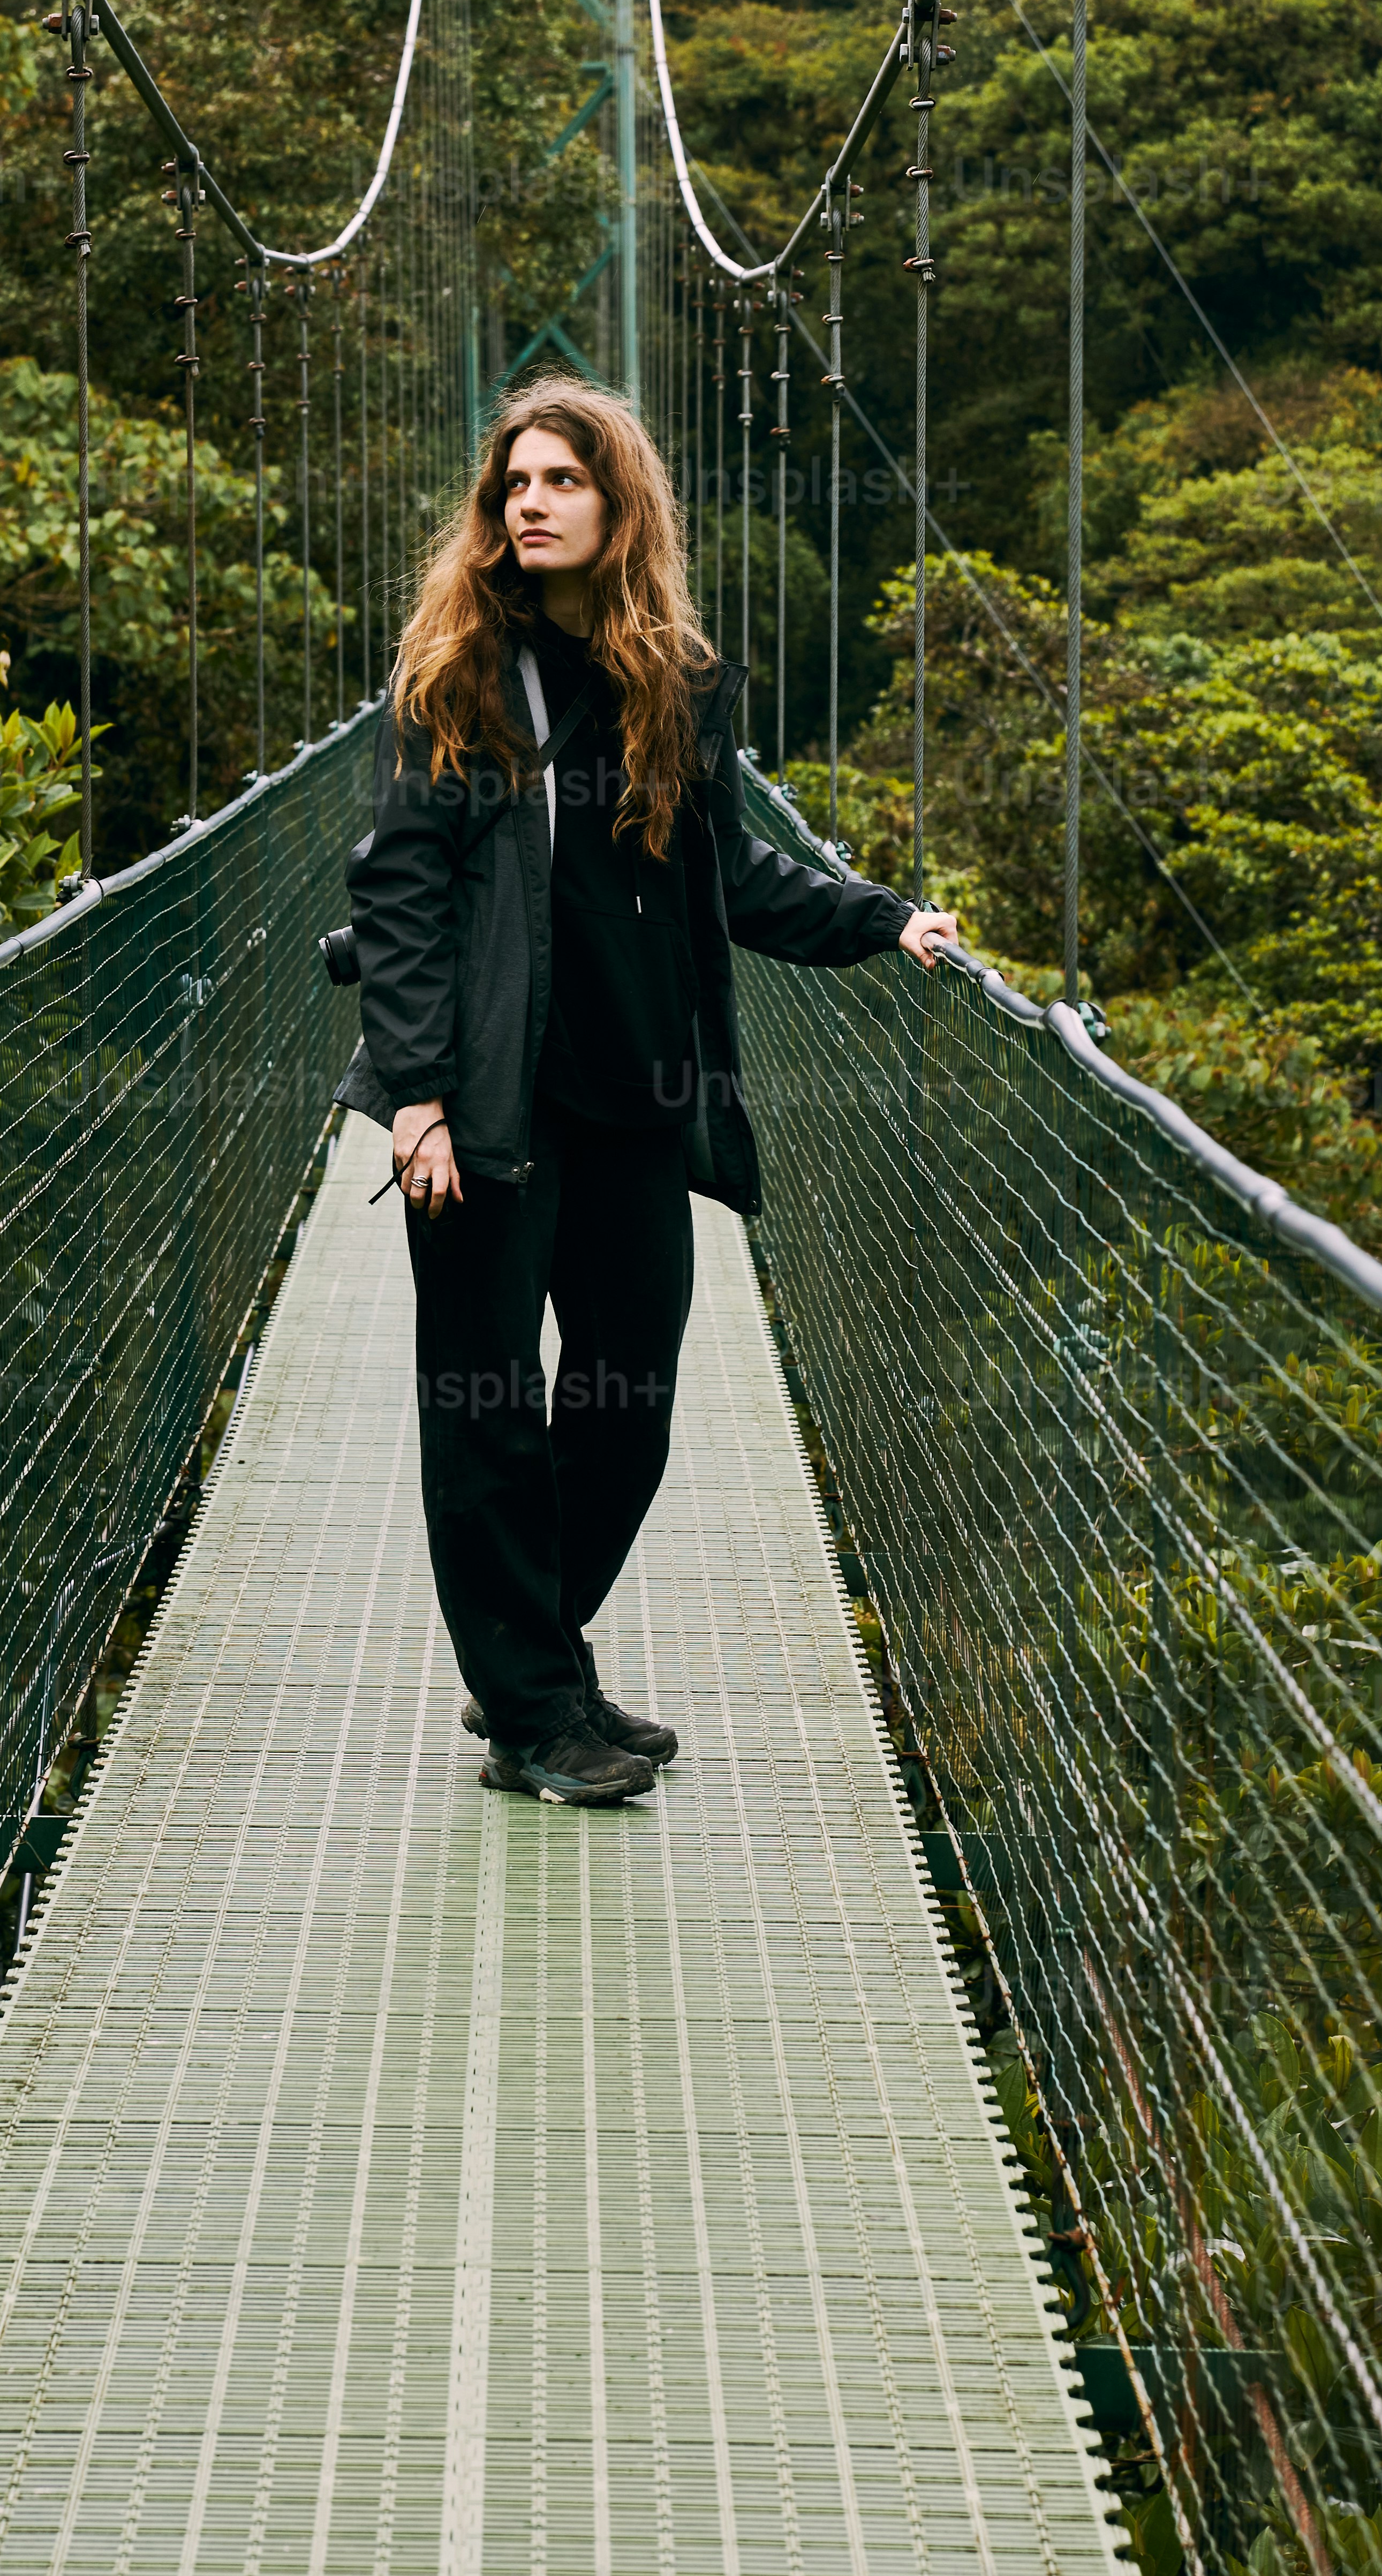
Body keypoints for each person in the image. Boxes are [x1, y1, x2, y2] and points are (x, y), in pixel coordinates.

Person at [342, 377, 963, 1809]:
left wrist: (880, 918)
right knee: (488, 1405)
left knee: (630, 1403)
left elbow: (730, 870)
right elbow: (400, 895)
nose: (530, 502)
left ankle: (535, 1660)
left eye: (563, 480)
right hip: (490, 1108)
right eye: (513, 483)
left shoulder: (671, 680)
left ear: (621, 509)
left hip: (636, 1096)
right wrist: (418, 1099)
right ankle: (536, 1709)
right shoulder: (454, 679)